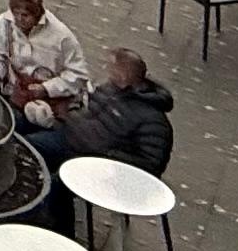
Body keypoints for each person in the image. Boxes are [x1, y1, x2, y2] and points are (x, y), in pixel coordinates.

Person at [29, 48, 175, 175]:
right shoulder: (109, 88)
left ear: (123, 75)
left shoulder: (153, 120)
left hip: (94, 161)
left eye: (112, 67)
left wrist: (108, 156)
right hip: (70, 138)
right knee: (27, 146)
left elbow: (152, 164)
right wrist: (68, 114)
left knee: (55, 187)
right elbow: (88, 109)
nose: (107, 69)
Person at [0, 0, 91, 128]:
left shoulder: (62, 36)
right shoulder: (4, 24)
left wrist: (46, 88)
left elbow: (78, 75)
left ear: (38, 13)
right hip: (18, 96)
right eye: (16, 14)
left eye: (25, 15)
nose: (19, 20)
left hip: (52, 107)